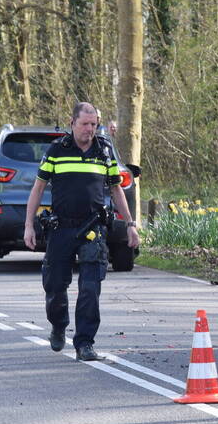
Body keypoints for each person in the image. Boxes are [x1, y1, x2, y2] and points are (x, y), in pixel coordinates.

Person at [23, 102, 140, 361]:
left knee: (90, 287)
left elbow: (116, 189)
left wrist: (130, 224)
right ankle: (58, 324)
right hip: (61, 227)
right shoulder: (56, 150)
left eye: (94, 124)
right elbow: (38, 188)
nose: (90, 129)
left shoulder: (104, 151)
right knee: (54, 286)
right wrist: (29, 225)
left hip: (92, 228)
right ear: (72, 123)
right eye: (85, 124)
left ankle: (84, 343)